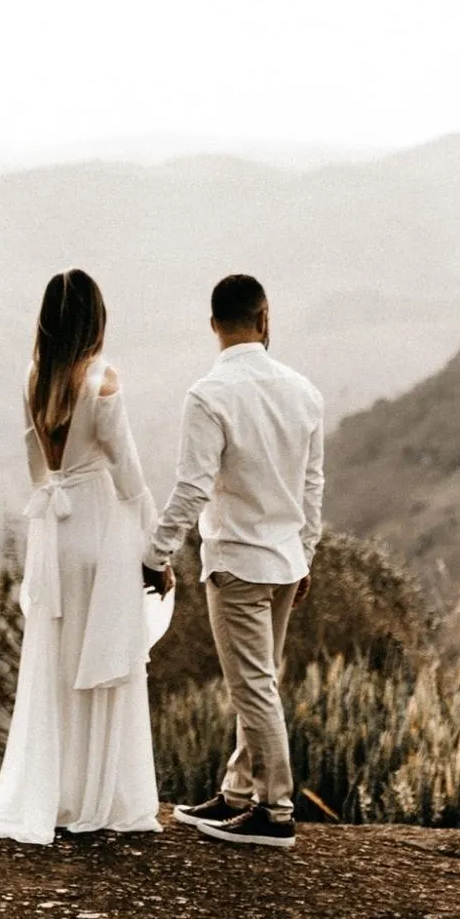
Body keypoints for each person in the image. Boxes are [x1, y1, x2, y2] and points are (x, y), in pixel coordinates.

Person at [0, 268, 171, 847]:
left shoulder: (36, 380)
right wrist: (158, 549)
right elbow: (130, 476)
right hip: (99, 527)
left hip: (54, 535)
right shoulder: (102, 379)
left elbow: (39, 470)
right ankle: (101, 799)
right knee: (102, 662)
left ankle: (55, 794)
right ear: (96, 319)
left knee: (57, 666)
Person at [143, 272, 323, 849]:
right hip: (285, 562)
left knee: (252, 688)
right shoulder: (305, 392)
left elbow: (193, 487)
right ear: (265, 320)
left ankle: (275, 811)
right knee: (260, 681)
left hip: (238, 564)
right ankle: (237, 792)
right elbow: (313, 486)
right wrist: (307, 554)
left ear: (215, 324)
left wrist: (156, 551)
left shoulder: (209, 395)